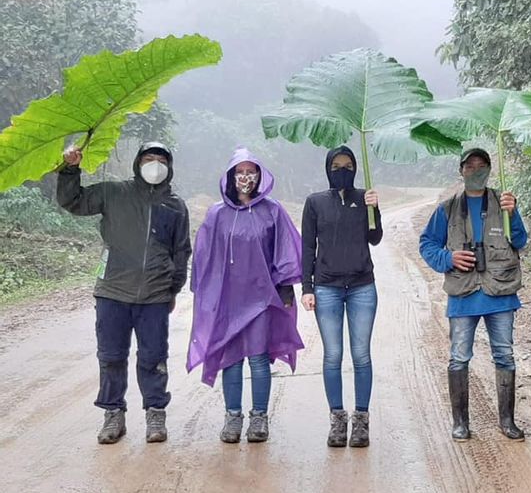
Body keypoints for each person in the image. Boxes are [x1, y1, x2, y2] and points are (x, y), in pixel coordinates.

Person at [58, 142, 191, 444]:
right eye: (148, 158)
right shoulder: (113, 192)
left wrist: (173, 288)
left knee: (153, 357)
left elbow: (182, 250)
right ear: (137, 162)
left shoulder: (175, 206)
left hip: (154, 296)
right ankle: (112, 414)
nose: (154, 164)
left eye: (160, 159)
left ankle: (156, 413)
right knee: (111, 356)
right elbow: (73, 201)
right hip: (112, 291)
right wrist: (70, 169)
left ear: (169, 167)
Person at [187, 147, 303, 443]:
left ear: (260, 175)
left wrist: (286, 285)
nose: (245, 177)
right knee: (231, 359)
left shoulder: (272, 211)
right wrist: (203, 291)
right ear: (230, 176)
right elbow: (204, 256)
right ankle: (232, 417)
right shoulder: (217, 214)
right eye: (239, 172)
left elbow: (286, 250)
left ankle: (259, 418)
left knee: (258, 358)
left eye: (250, 171)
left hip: (262, 298)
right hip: (228, 299)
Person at [419, 148, 527, 442]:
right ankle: (461, 423)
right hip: (463, 294)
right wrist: (449, 259)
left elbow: (520, 240)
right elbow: (427, 244)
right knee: (459, 358)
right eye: (470, 166)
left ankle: (508, 422)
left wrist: (512, 213)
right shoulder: (447, 208)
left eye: (481, 165)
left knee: (504, 355)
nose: (476, 170)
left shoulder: (503, 202)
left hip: (501, 291)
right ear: (461, 171)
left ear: (491, 169)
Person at [300, 146, 382, 448]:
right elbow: (307, 247)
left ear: (356, 168)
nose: (342, 170)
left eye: (348, 165)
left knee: (361, 355)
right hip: (327, 287)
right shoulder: (315, 203)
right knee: (333, 355)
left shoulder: (364, 198)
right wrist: (306, 288)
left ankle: (361, 419)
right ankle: (337, 418)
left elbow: (375, 238)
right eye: (336, 165)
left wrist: (374, 208)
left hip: (362, 285)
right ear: (327, 168)